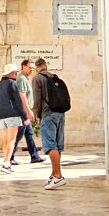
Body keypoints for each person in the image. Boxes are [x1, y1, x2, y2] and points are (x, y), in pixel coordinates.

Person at [30, 58, 70, 189]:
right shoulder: (54, 77)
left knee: (50, 145)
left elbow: (37, 99)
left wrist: (37, 115)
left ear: (36, 67)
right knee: (57, 146)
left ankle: (58, 176)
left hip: (48, 114)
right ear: (45, 66)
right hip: (60, 114)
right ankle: (54, 174)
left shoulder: (37, 79)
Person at [0, 63, 28, 174]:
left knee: (5, 140)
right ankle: (6, 163)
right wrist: (24, 116)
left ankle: (6, 161)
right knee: (11, 140)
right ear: (11, 73)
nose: (16, 74)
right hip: (13, 115)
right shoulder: (13, 84)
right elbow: (18, 101)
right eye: (15, 72)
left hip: (2, 116)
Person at [12, 59, 44, 164]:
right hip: (23, 112)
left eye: (32, 68)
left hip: (25, 111)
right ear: (23, 67)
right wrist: (28, 111)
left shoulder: (24, 78)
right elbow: (22, 95)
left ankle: (34, 156)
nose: (31, 69)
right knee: (18, 135)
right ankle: (10, 157)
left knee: (29, 134)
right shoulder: (21, 79)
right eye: (29, 67)